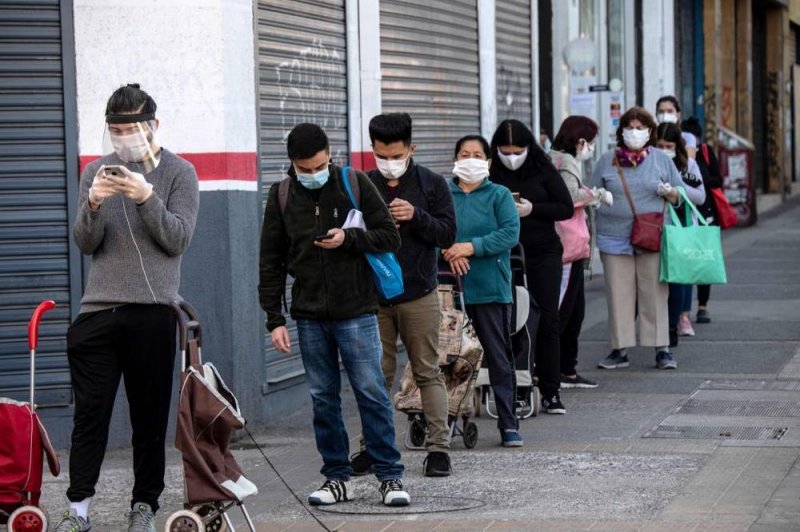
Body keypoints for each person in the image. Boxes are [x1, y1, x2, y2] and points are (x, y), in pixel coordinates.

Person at [56, 84, 199, 532]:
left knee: (149, 417)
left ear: (153, 126)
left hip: (153, 311)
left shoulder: (179, 172)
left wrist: (144, 196)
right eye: (115, 131)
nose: (122, 139)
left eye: (130, 130)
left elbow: (177, 239)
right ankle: (78, 509)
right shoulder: (97, 169)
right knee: (90, 413)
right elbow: (85, 242)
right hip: (98, 311)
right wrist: (95, 202)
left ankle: (145, 506)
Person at [258, 123, 410, 507]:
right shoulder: (281, 195)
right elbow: (270, 261)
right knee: (322, 398)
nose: (312, 174)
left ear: (330, 155)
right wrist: (274, 318)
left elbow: (389, 235)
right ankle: (335, 477)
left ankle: (390, 477)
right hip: (309, 316)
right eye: (304, 169)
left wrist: (350, 239)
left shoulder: (353, 182)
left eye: (318, 166)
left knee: (371, 392)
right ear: (291, 164)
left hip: (356, 310)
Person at [349, 112, 456, 478]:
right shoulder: (362, 185)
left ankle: (438, 448)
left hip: (418, 293)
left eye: (396, 155)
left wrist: (417, 216)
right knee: (374, 376)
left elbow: (447, 234)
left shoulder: (431, 184)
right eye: (382, 155)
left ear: (412, 149)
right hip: (372, 297)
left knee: (427, 371)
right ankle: (371, 447)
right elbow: (349, 235)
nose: (389, 163)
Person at [588, 106, 685, 370]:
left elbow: (682, 193)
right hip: (613, 237)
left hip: (651, 236)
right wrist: (597, 198)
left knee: (654, 293)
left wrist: (670, 193)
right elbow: (591, 190)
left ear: (650, 131)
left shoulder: (661, 160)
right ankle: (619, 349)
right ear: (620, 132)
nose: (634, 132)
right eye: (629, 127)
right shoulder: (607, 160)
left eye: (640, 128)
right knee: (619, 295)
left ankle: (661, 348)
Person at [489, 120, 574, 414]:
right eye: (505, 150)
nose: (511, 156)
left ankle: (551, 390)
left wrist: (532, 209)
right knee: (509, 322)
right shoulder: (490, 171)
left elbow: (565, 206)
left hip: (542, 253)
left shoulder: (542, 168)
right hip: (501, 255)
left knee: (547, 320)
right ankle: (516, 387)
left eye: (518, 150)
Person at [443, 134, 522, 446]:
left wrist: (470, 248)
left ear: (488, 162)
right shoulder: (442, 193)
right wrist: (450, 251)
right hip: (449, 289)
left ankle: (508, 423)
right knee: (447, 358)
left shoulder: (499, 195)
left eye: (477, 154)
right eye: (464, 153)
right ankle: (445, 421)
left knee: (499, 357)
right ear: (455, 159)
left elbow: (509, 233)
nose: (470, 158)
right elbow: (431, 231)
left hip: (490, 288)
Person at [548, 116, 611, 389]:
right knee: (564, 311)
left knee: (575, 311)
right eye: (592, 142)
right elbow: (568, 196)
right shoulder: (565, 161)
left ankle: (567, 369)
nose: (592, 148)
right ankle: (556, 371)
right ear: (581, 141)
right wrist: (596, 196)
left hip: (570, 249)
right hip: (566, 247)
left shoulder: (557, 159)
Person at [655, 122, 706, 347]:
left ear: (678, 146)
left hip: (682, 228)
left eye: (669, 145)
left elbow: (701, 196)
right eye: (660, 145)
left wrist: (677, 191)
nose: (664, 149)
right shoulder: (650, 163)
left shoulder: (689, 165)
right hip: (654, 227)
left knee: (679, 279)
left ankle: (674, 324)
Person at [682, 117, 723, 324]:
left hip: (706, 216)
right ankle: (683, 311)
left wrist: (700, 180)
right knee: (687, 263)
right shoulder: (677, 157)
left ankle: (703, 306)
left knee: (705, 260)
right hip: (684, 216)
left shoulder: (705, 153)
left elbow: (718, 180)